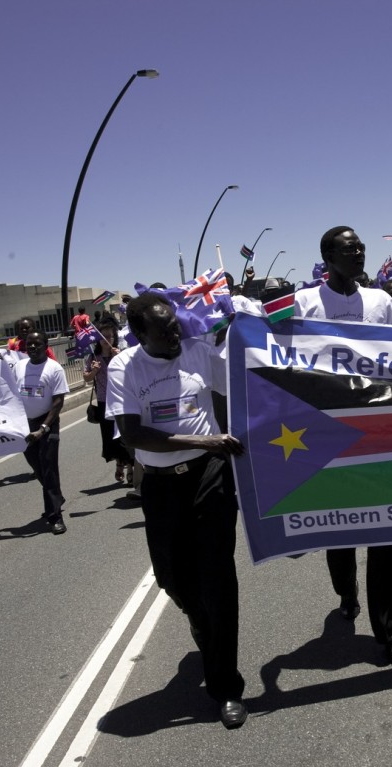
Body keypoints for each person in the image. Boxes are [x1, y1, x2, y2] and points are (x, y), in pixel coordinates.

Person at [106, 292, 248, 728]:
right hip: (161, 486)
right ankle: (199, 620)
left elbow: (249, 378)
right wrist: (205, 439)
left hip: (209, 477)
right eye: (164, 330)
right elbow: (132, 434)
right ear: (139, 334)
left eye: (175, 325)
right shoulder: (123, 367)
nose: (174, 334)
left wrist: (236, 333)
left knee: (218, 578)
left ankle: (226, 686)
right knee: (172, 578)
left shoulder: (197, 350)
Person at [292, 226, 392, 672]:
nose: (359, 253)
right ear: (327, 256)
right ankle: (346, 591)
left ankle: (391, 632)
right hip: (327, 434)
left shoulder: (381, 302)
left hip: (377, 431)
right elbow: (285, 357)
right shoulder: (305, 303)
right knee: (340, 530)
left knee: (385, 533)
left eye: (361, 247)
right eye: (349, 249)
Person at [14, 330, 68, 534]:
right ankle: (56, 496)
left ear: (46, 345)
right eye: (29, 344)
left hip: (47, 424)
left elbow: (58, 402)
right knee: (37, 468)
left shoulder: (54, 369)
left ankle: (55, 517)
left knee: (48, 469)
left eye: (37, 344)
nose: (33, 347)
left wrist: (43, 428)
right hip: (24, 426)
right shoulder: (19, 367)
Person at [82, 320, 133, 484]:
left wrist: (119, 358)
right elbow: (87, 378)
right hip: (104, 402)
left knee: (126, 435)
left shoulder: (122, 354)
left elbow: (131, 374)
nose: (107, 339)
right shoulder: (92, 358)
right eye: (103, 336)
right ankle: (120, 463)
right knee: (111, 437)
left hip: (122, 400)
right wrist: (94, 370)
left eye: (110, 336)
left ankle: (131, 468)